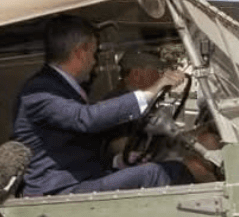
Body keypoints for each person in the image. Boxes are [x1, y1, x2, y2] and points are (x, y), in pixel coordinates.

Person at [11, 16, 192, 196]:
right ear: (81, 52)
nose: (94, 62)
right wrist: (151, 91)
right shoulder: (39, 90)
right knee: (157, 173)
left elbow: (76, 142)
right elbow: (86, 119)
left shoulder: (62, 88)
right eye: (94, 53)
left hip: (82, 179)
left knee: (168, 168)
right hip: (59, 189)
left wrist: (118, 161)